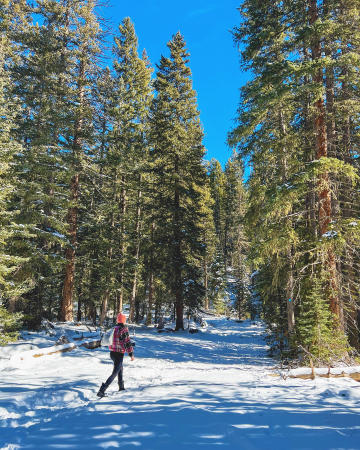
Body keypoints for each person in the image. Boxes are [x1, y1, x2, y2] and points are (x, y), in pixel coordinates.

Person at [97, 313, 134, 398]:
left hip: (112, 353)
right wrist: (131, 354)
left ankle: (121, 387)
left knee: (120, 368)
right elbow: (127, 342)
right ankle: (102, 390)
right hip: (119, 353)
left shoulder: (114, 328)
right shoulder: (123, 329)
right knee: (115, 372)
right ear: (124, 320)